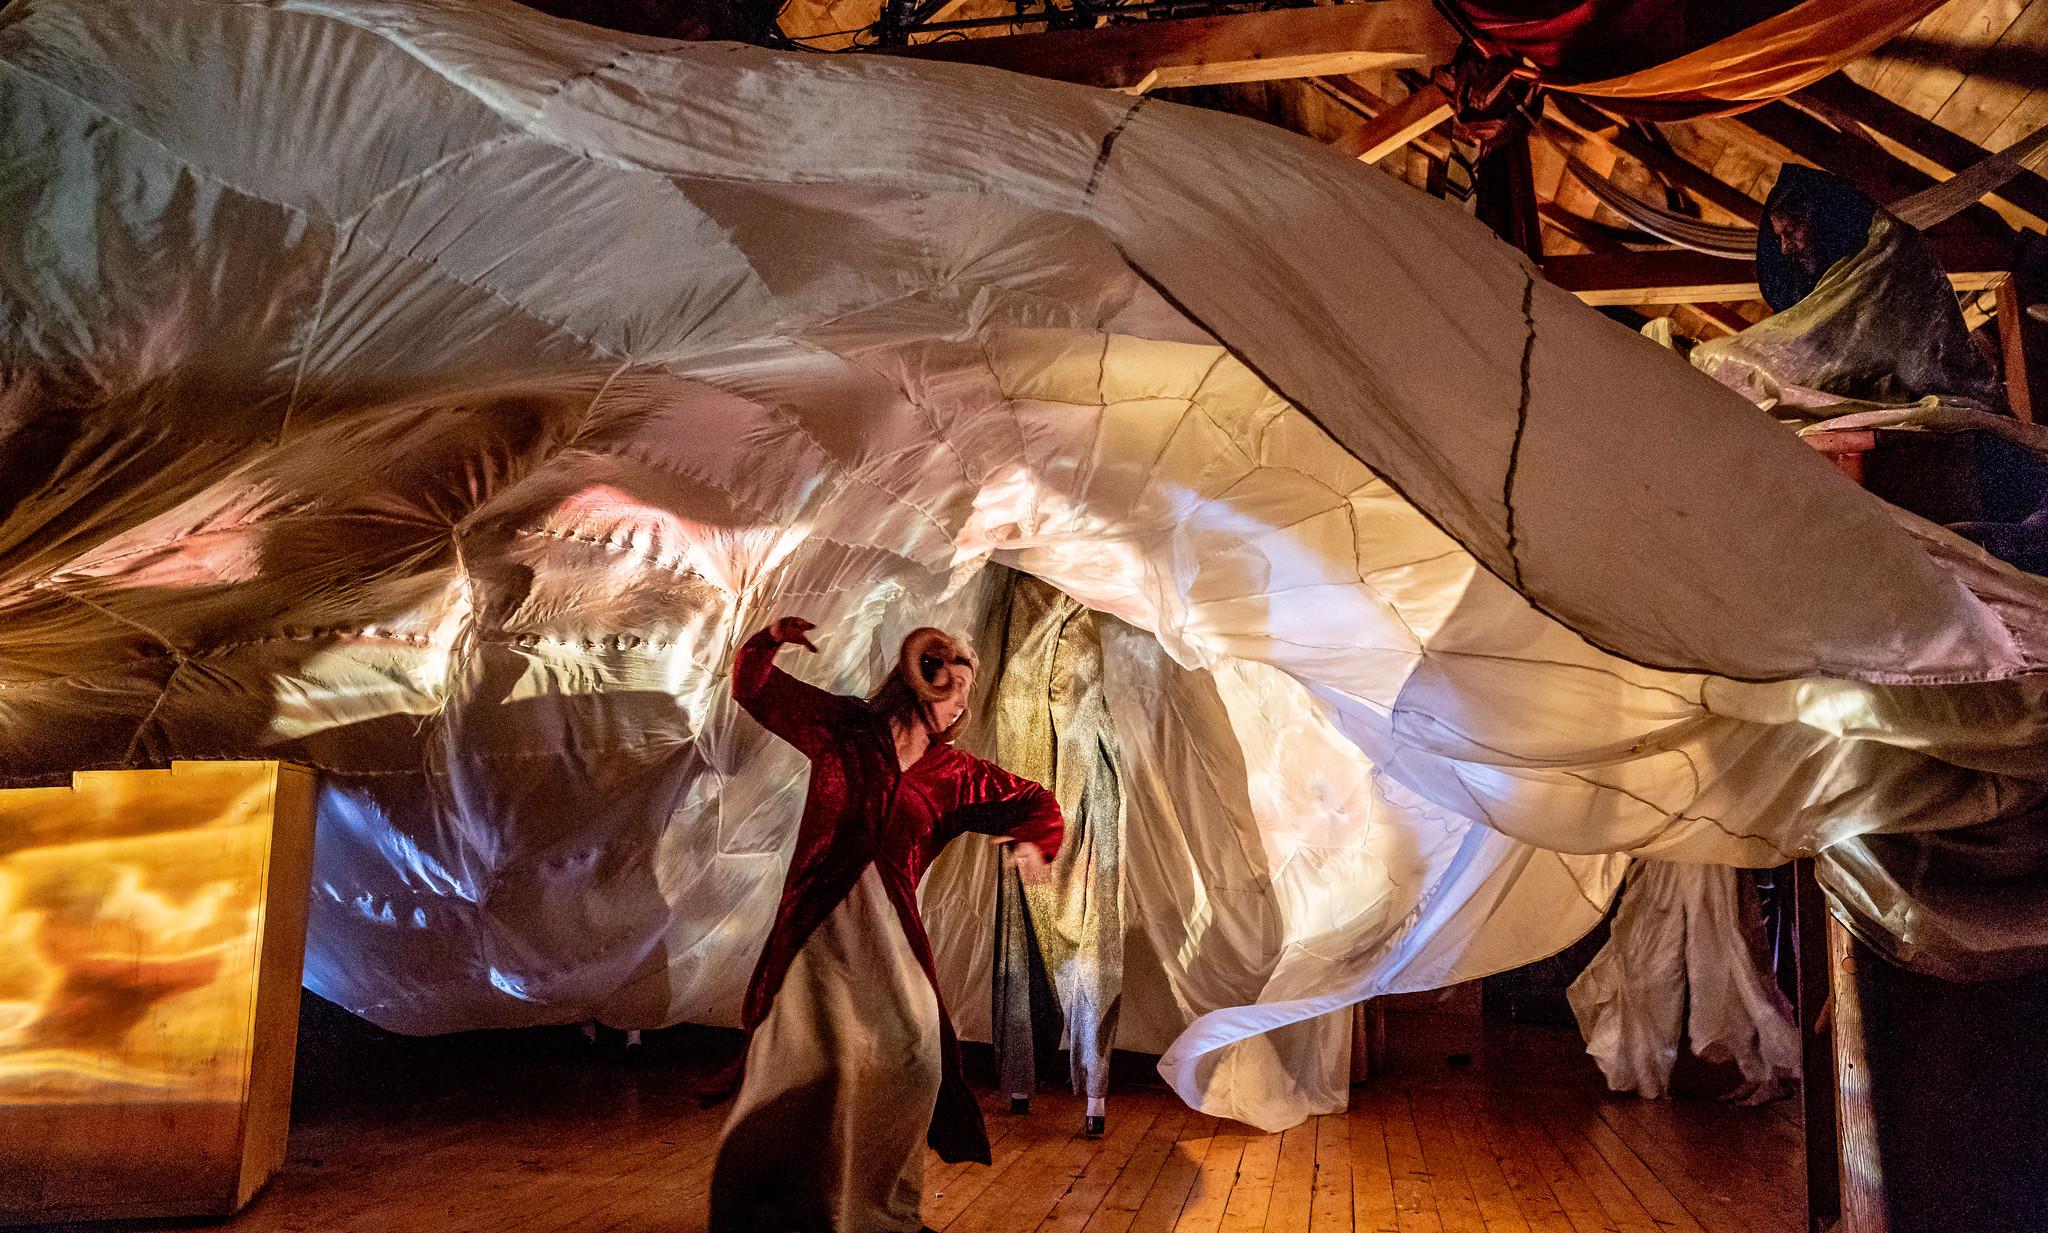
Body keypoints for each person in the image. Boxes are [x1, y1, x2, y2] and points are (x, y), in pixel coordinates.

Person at [709, 616, 1064, 1233]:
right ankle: (770, 1201)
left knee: (914, 1060)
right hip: (816, 932)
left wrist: (1034, 842)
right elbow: (754, 686)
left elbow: (1037, 801)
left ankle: (881, 1209)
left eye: (965, 697)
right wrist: (769, 637)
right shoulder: (845, 729)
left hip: (888, 936)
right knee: (807, 1066)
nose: (958, 707)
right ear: (917, 682)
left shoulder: (957, 777)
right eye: (950, 689)